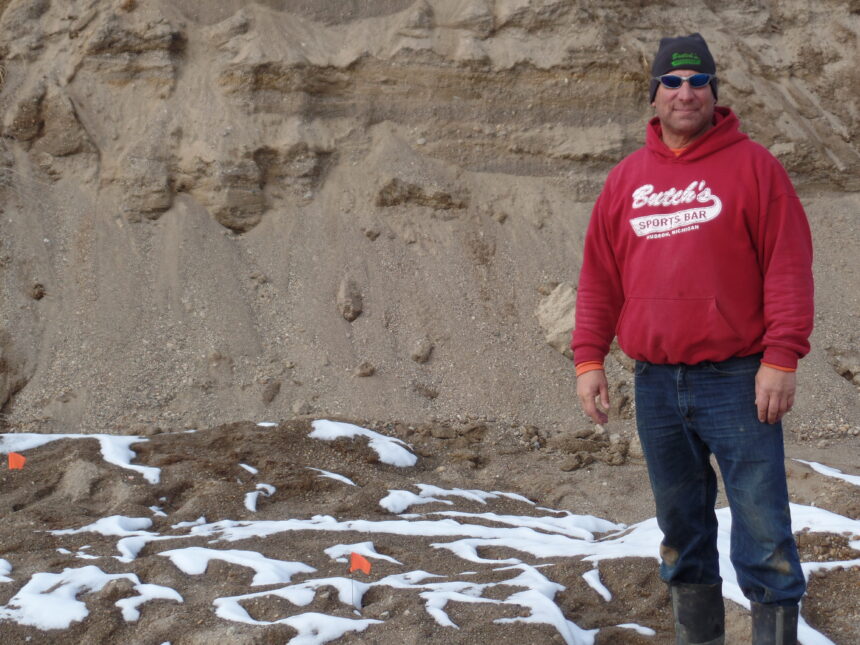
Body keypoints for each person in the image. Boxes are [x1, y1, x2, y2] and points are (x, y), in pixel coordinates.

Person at [572, 33, 813, 645]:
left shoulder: (755, 168)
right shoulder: (626, 180)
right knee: (681, 533)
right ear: (654, 95)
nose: (686, 93)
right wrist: (589, 359)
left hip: (739, 380)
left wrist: (782, 356)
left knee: (764, 535)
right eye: (673, 82)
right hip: (655, 384)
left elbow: (788, 267)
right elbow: (600, 277)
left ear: (714, 91)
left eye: (698, 81)